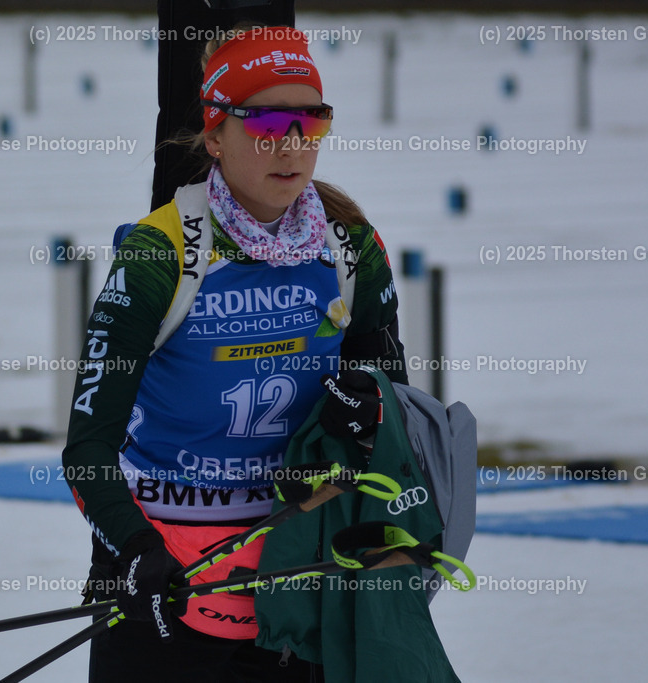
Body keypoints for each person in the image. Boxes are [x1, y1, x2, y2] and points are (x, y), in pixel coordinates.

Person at [62, 24, 407, 682]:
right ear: (215, 135)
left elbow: (398, 412)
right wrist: (135, 549)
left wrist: (367, 409)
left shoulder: (351, 248)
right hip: (165, 584)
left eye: (311, 122)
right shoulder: (158, 255)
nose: (291, 144)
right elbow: (87, 450)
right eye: (267, 123)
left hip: (294, 580)